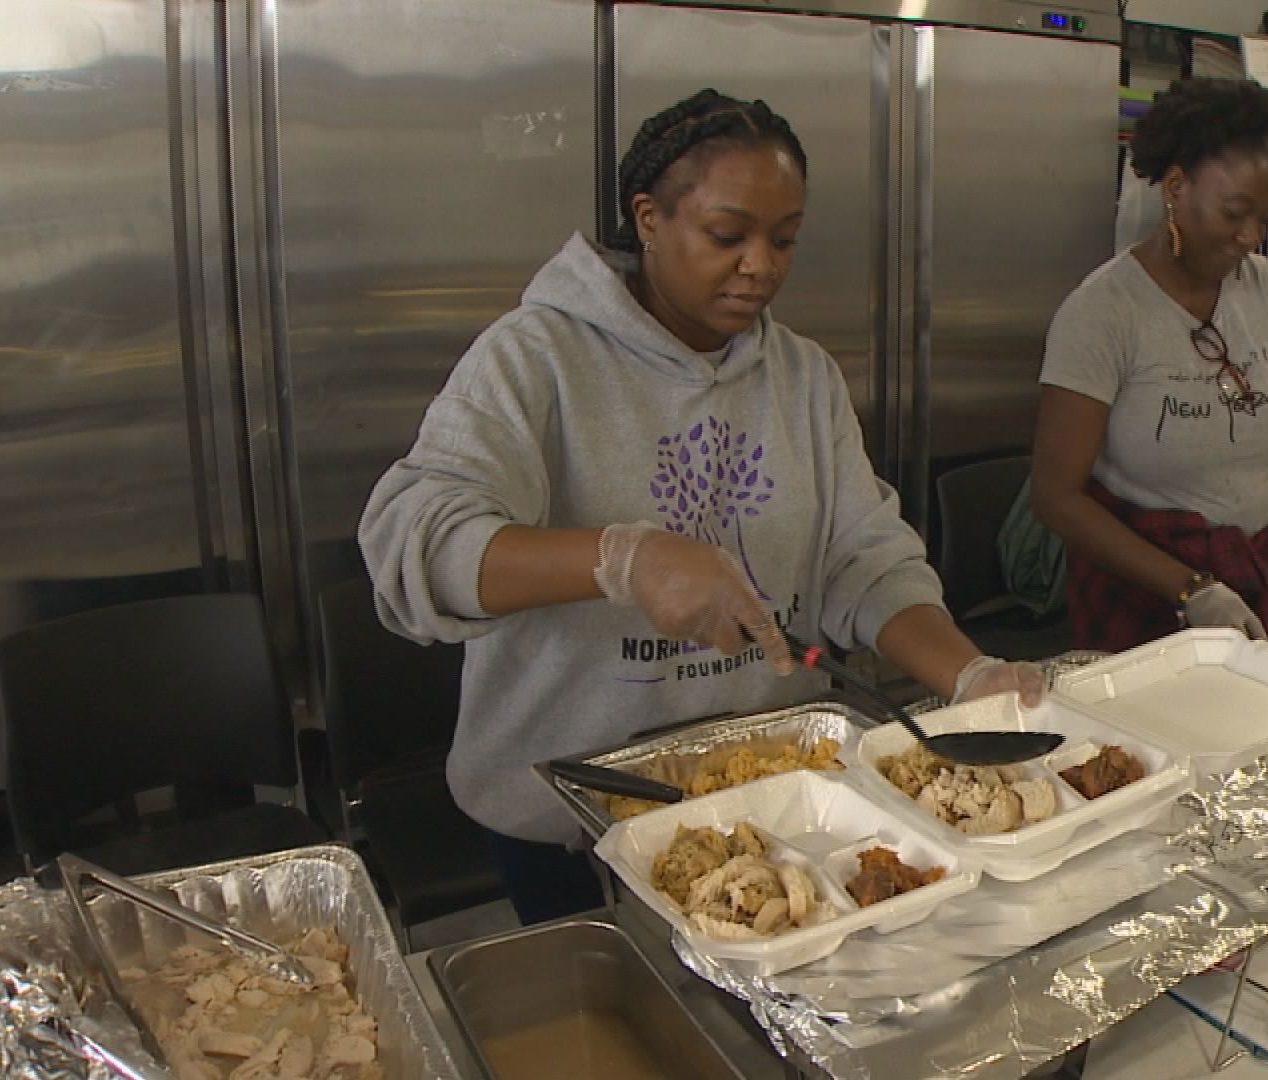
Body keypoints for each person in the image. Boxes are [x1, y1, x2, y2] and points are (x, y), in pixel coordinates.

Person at [359, 89, 1044, 924]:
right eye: (729, 236)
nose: (762, 265)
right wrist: (622, 559)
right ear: (648, 218)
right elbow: (414, 547)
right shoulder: (536, 359)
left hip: (774, 799)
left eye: (784, 239)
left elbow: (864, 560)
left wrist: (969, 677)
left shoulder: (801, 377)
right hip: (581, 809)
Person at [1030, 77, 1268, 654]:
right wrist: (1193, 590)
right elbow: (1056, 497)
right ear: (1175, 187)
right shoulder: (1103, 312)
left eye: (1267, 217)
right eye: (1234, 214)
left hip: (1251, 578)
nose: (1251, 238)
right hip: (1140, 596)